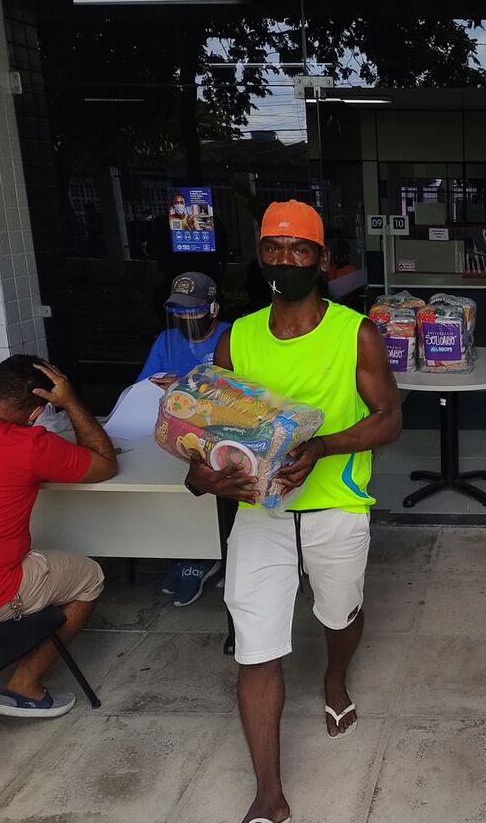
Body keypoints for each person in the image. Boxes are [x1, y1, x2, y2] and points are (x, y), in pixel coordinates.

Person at [185, 199, 402, 823]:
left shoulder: (352, 331)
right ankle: (268, 796)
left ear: (322, 259)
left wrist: (325, 446)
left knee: (338, 614)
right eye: (273, 250)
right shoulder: (239, 335)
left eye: (298, 250)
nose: (285, 261)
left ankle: (335, 679)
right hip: (260, 511)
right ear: (260, 257)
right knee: (256, 643)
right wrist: (200, 473)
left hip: (335, 501)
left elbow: (389, 418)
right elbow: (207, 425)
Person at [0, 356, 117, 717]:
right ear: (36, 414)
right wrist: (71, 403)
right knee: (89, 576)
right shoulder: (28, 444)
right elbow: (104, 463)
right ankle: (24, 686)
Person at [137, 271, 231, 607]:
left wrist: (188, 382)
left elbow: (240, 391)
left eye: (193, 310)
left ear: (213, 308)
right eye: (179, 310)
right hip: (172, 434)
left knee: (209, 490)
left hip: (216, 433)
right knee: (170, 488)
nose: (186, 317)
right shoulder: (165, 340)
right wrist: (158, 384)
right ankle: (190, 554)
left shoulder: (229, 336)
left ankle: (210, 556)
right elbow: (144, 384)